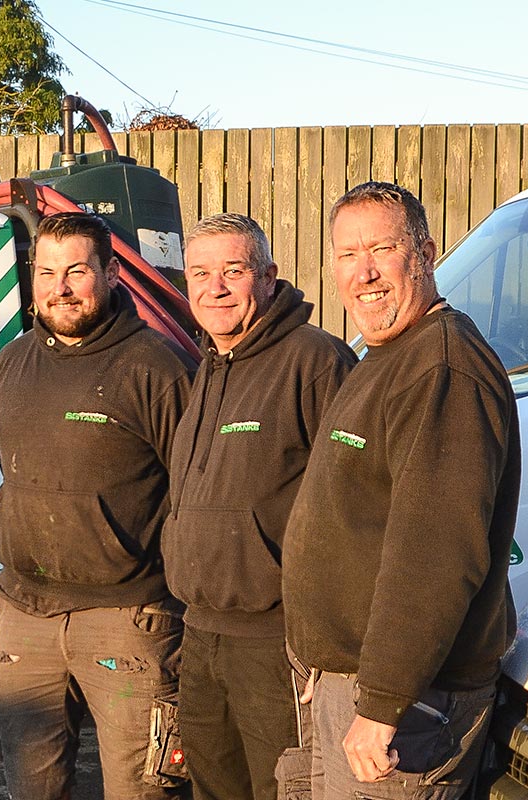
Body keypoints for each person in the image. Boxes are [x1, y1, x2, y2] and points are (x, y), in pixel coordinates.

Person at [280, 182, 521, 798]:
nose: (364, 273)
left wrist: (384, 701)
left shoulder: (442, 369)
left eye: (382, 249)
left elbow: (436, 555)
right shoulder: (386, 356)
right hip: (352, 684)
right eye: (346, 255)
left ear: (426, 252)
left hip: (409, 706)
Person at [0, 212, 195, 800]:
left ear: (111, 271)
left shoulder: (157, 367)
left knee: (144, 789)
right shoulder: (12, 365)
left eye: (77, 270)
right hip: (27, 615)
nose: (61, 287)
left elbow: (198, 493)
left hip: (128, 623)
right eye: (47, 272)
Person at [163, 214, 356, 800]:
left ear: (269, 277)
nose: (214, 286)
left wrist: (325, 648)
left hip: (275, 647)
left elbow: (353, 509)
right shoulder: (207, 367)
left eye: (233, 270)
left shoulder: (317, 362)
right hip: (201, 635)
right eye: (201, 272)